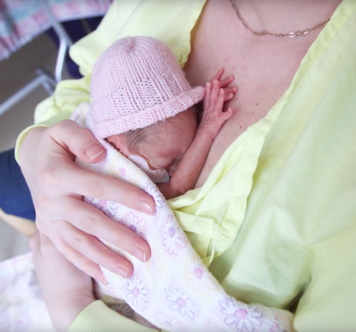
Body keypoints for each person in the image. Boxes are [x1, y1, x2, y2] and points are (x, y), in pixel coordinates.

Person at [18, 0, 356, 331]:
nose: (177, 168)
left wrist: (72, 309)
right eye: (172, 161)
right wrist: (36, 149)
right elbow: (78, 91)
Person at [87, 36, 236, 200]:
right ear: (117, 145)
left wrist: (204, 107)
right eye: (170, 162)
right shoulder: (109, 171)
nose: (180, 167)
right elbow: (177, 188)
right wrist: (206, 129)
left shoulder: (141, 147)